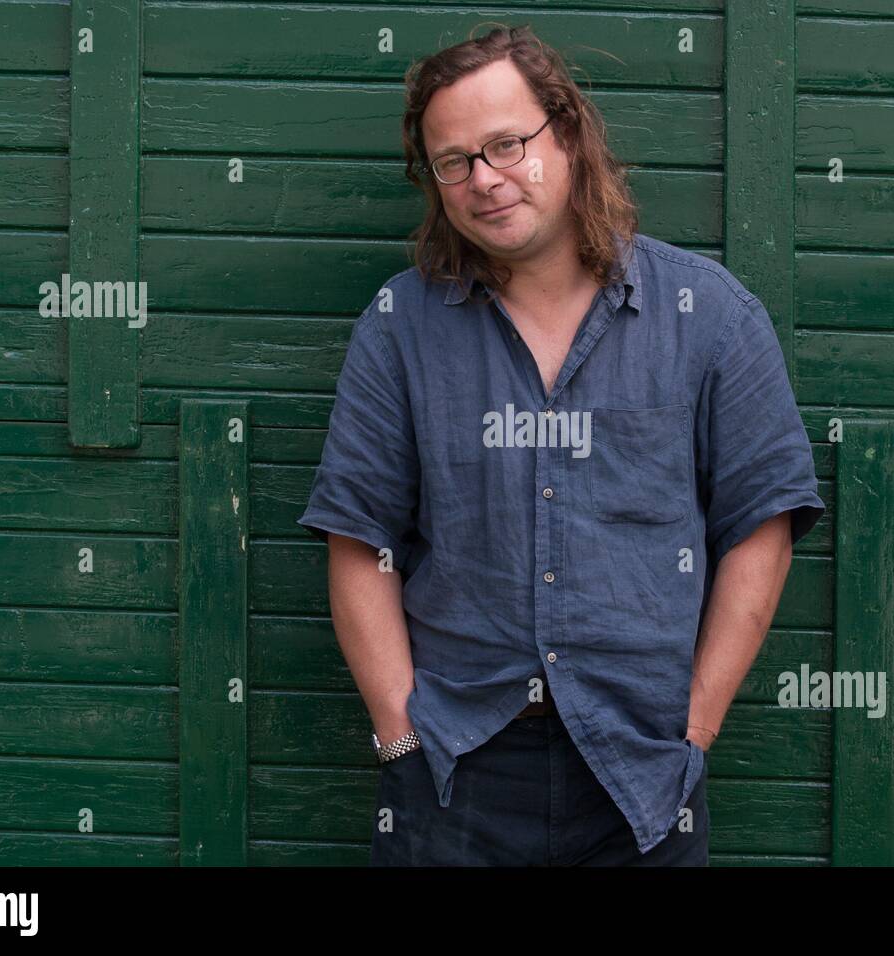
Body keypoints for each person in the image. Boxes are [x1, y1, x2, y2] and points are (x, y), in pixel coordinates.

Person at [297, 25, 825, 866]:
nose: (485, 179)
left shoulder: (712, 318)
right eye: (454, 161)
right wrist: (400, 736)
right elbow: (359, 537)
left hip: (643, 771)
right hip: (454, 768)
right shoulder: (401, 329)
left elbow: (760, 529)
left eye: (507, 144)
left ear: (568, 133)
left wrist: (696, 728)